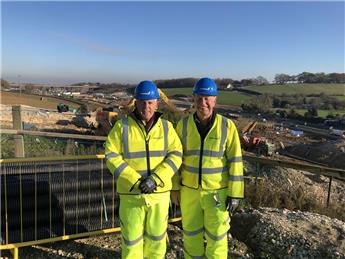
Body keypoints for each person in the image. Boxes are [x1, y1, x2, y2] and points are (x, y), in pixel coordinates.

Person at [105, 80, 182, 259]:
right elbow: (111, 156)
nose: (146, 107)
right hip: (132, 197)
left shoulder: (166, 128)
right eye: (142, 102)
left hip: (159, 196)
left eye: (150, 102)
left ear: (156, 103)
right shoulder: (122, 127)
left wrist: (155, 179)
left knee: (156, 243)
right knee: (132, 244)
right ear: (136, 102)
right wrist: (136, 181)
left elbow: (176, 155)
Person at [171, 77, 244, 258]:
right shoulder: (183, 125)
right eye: (199, 98)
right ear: (193, 99)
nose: (203, 103)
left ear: (215, 100)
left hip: (217, 194)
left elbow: (235, 160)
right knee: (190, 235)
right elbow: (174, 159)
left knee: (217, 238)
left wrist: (235, 193)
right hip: (189, 192)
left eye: (207, 98)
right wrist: (174, 187)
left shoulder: (227, 126)